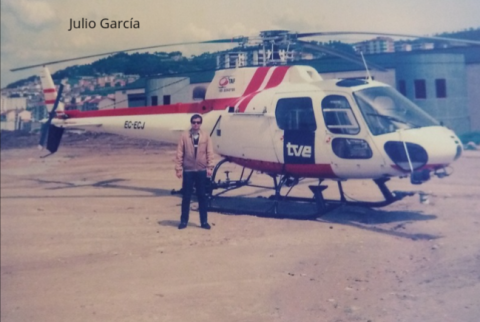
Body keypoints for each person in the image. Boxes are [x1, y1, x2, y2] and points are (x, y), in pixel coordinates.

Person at [175, 114, 214, 230]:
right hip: (188, 170)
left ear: (200, 123)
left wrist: (210, 167)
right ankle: (183, 221)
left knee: (202, 196)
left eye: (198, 122)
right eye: (194, 122)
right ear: (191, 123)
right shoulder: (184, 136)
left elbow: (209, 152)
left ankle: (204, 222)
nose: (196, 124)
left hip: (201, 170)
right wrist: (178, 169)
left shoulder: (206, 136)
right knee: (186, 196)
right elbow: (179, 153)